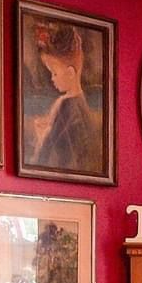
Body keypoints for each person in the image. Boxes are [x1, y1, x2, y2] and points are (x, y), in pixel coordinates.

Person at [31, 23, 102, 172]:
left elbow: (45, 150)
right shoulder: (78, 103)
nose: (52, 78)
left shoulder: (66, 105)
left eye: (54, 73)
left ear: (70, 73)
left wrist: (42, 134)